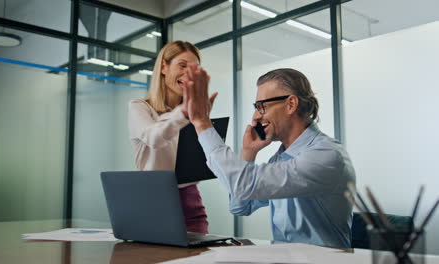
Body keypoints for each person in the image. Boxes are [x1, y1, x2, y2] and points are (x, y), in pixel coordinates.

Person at [182, 66, 356, 247]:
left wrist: (202, 123)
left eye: (262, 106)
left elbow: (243, 186)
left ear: (291, 104)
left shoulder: (326, 156)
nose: (256, 117)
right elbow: (241, 206)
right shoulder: (281, 157)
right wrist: (249, 152)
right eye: (256, 107)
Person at [128, 41, 217, 234]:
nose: (187, 73)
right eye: (182, 65)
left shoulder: (192, 112)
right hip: (154, 201)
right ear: (163, 67)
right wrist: (183, 113)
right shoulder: (140, 107)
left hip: (191, 200)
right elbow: (153, 137)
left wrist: (202, 120)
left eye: (193, 69)